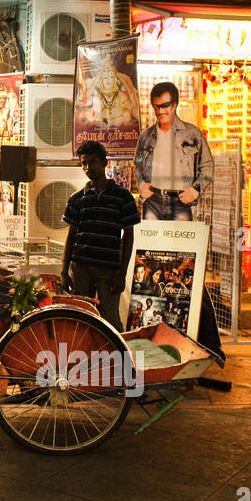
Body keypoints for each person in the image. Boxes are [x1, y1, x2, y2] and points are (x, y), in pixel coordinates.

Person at [61, 140, 141, 332]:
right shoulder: (77, 198)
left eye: (93, 162)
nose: (88, 168)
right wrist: (64, 271)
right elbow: (71, 236)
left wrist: (122, 273)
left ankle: (121, 361)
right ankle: (84, 360)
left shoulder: (123, 197)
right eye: (84, 163)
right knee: (81, 319)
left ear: (105, 163)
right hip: (80, 268)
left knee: (111, 321)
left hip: (108, 270)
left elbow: (128, 237)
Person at [134, 81, 213, 221]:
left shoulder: (192, 134)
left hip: (181, 201)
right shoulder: (145, 137)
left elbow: (207, 165)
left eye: (165, 105)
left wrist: (195, 190)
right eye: (156, 106)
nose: (160, 111)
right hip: (153, 201)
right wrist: (141, 185)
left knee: (180, 243)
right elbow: (138, 163)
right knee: (151, 243)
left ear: (175, 104)